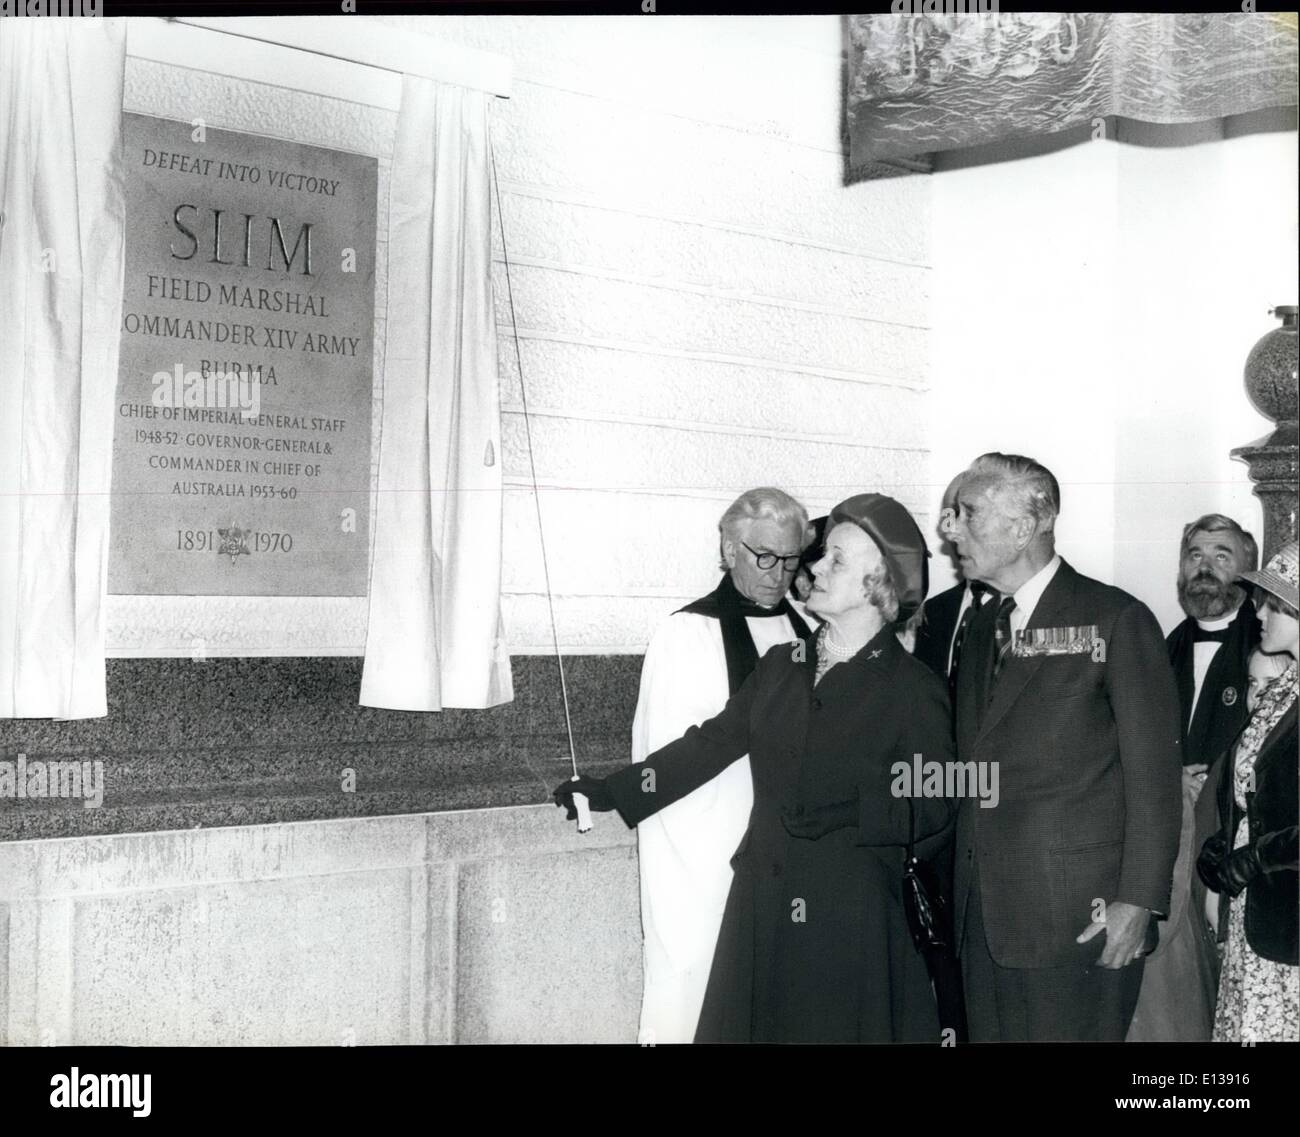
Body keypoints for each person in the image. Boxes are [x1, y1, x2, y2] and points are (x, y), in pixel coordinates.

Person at [557, 494, 957, 1043]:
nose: (812, 567)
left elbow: (937, 801)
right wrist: (612, 791)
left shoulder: (913, 689)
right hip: (763, 904)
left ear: (877, 583)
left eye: (835, 560)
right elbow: (709, 745)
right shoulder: (781, 667)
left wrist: (850, 811)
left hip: (849, 917)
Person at [942, 452, 1182, 1041]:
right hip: (984, 918)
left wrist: (1138, 904)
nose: (950, 529)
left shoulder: (1115, 619)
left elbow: (1154, 779)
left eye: (967, 513)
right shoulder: (978, 630)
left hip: (1080, 920)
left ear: (1023, 527)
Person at [628, 487, 812, 1044]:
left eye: (790, 559)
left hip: (785, 851)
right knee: (696, 985)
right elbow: (667, 757)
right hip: (704, 856)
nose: (778, 574)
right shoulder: (687, 634)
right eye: (764, 557)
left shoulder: (806, 633)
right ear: (729, 549)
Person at [1128, 514, 1261, 1041]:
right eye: (1194, 556)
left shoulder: (1272, 648)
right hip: (1173, 845)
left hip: (1234, 847)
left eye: (1221, 556)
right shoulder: (1163, 645)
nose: (1204, 568)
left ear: (1248, 572)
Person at [1197, 539, 1299, 1042]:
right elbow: (1254, 789)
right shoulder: (1283, 688)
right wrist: (1225, 839)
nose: (1258, 611)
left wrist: (1255, 854)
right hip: (1257, 916)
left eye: (1273, 603)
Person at [914, 474, 995, 701]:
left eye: (969, 516)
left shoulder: (1026, 609)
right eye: (950, 516)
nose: (953, 530)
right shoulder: (933, 611)